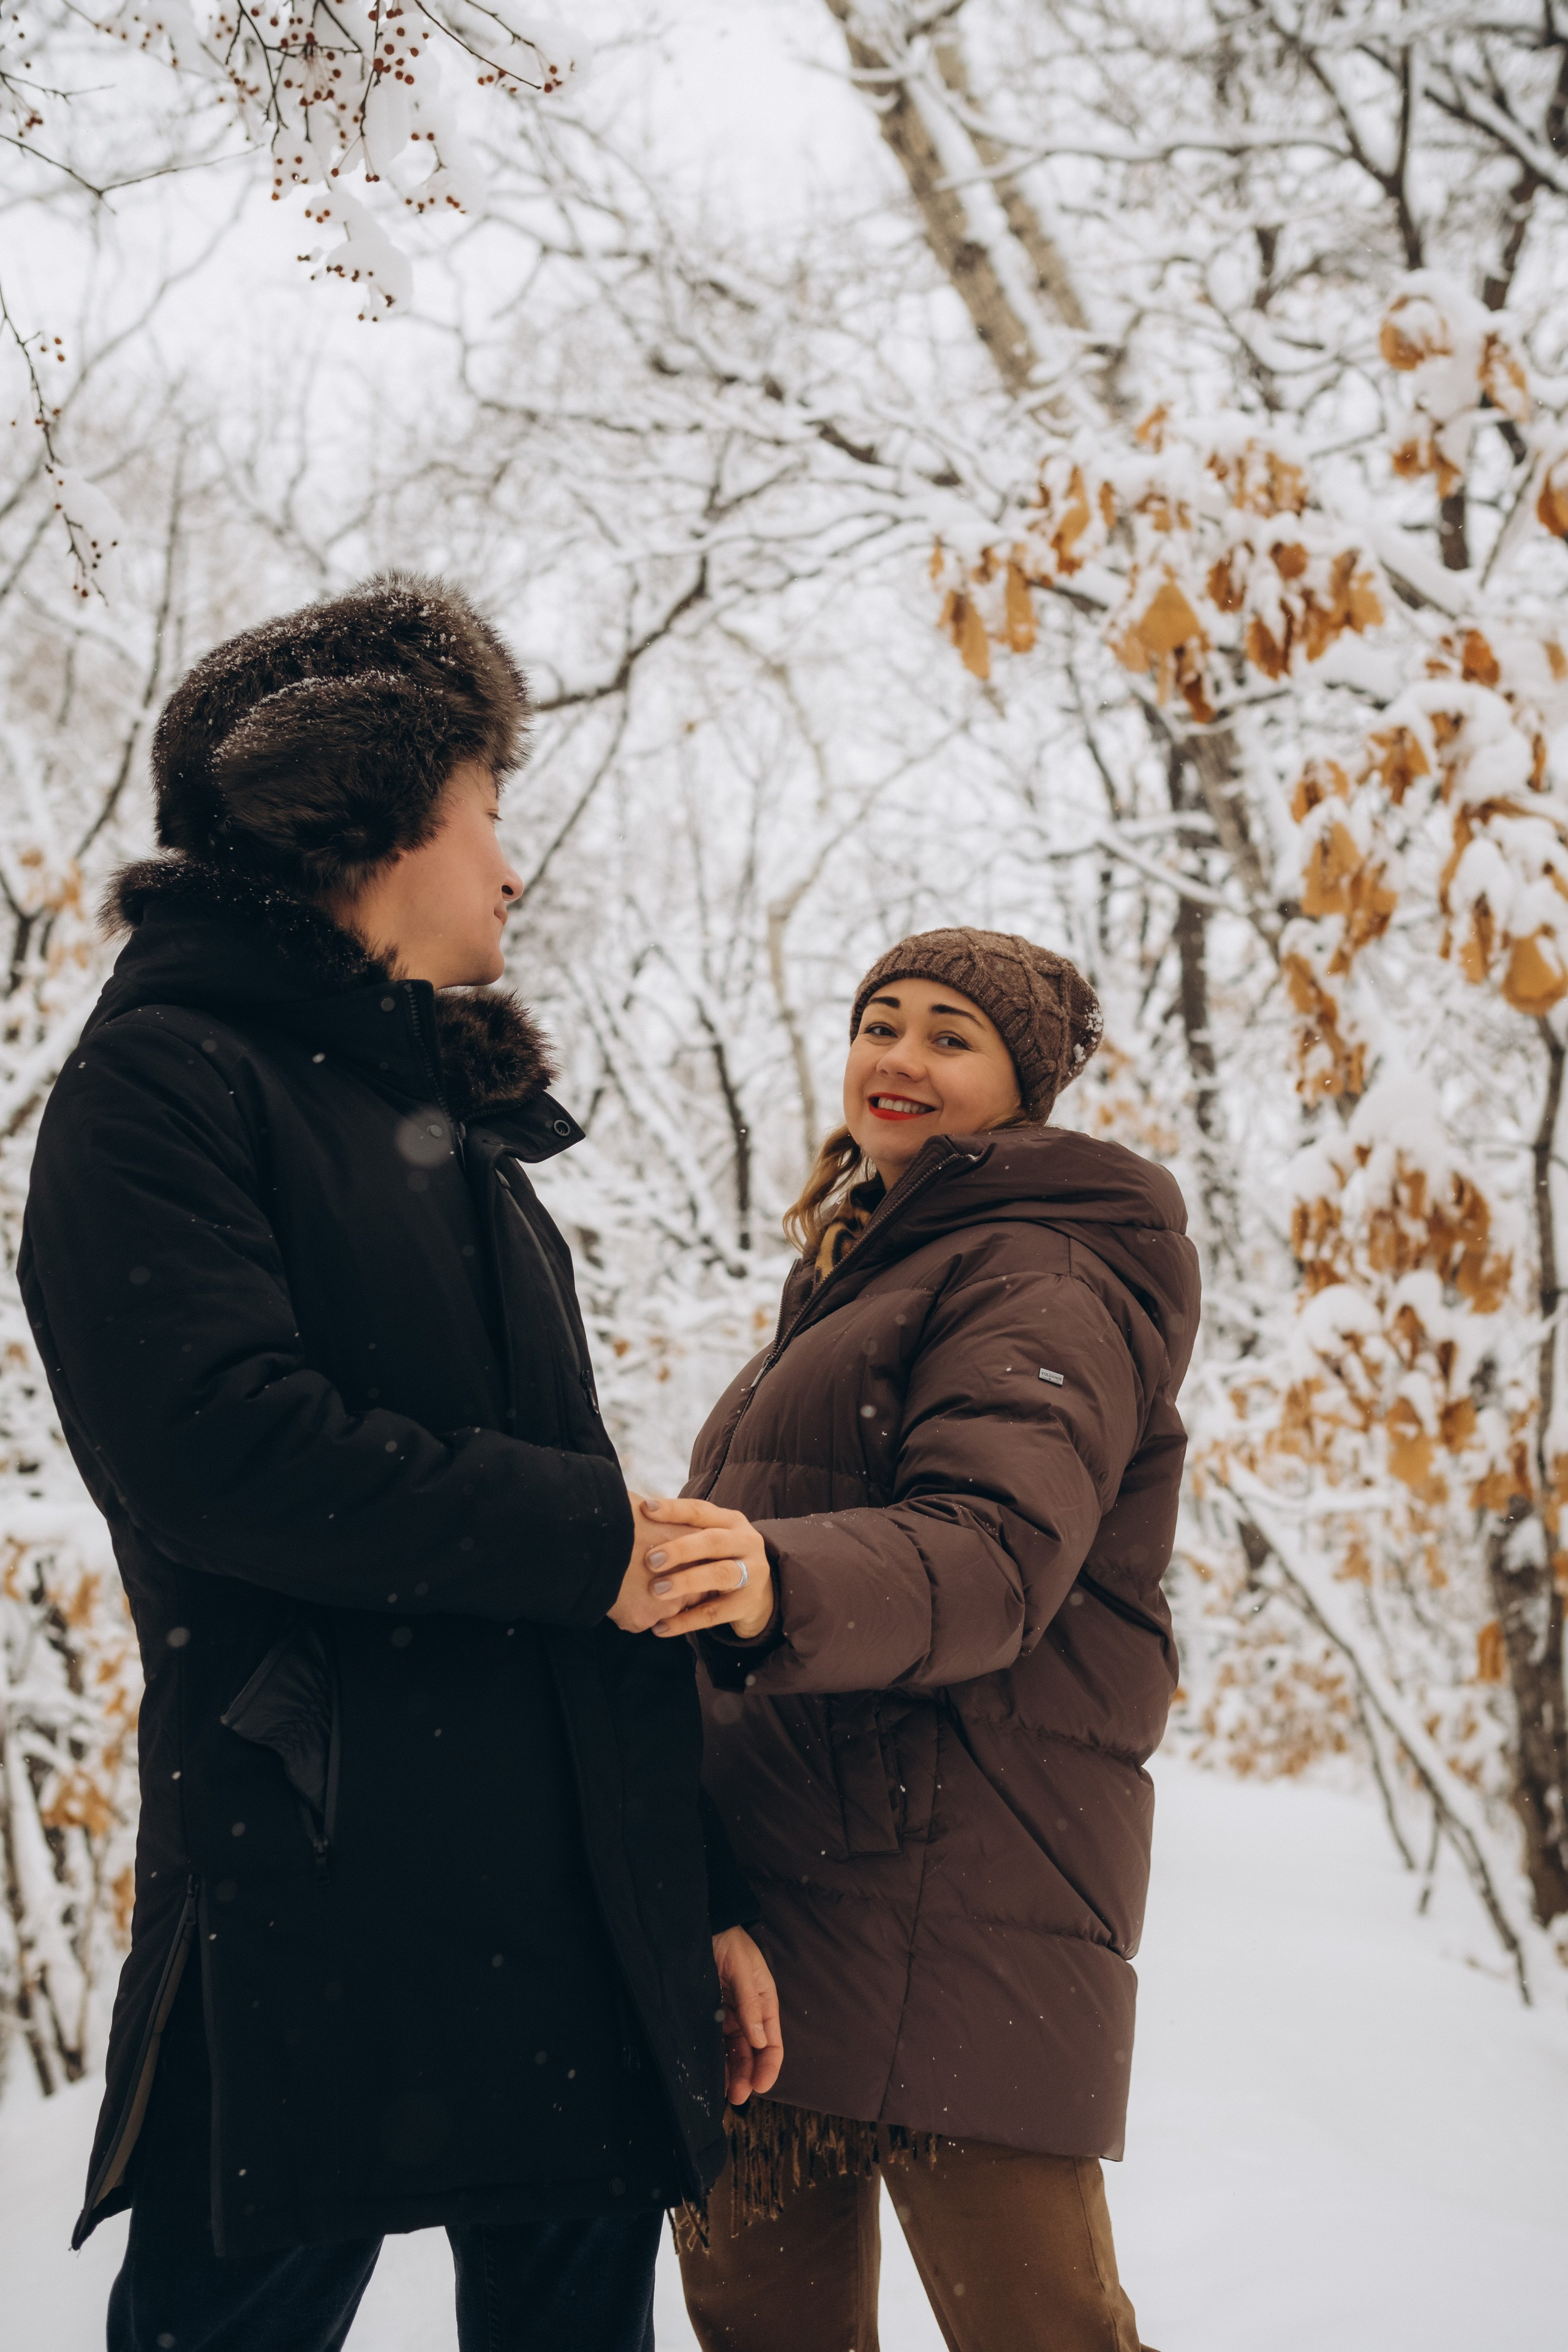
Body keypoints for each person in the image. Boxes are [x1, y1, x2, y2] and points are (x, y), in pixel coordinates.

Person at [19, 573, 780, 2352]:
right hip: (324, 1882)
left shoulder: (466, 1142)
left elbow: (579, 1562)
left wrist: (705, 1902)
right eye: (488, 815)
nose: (513, 867)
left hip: (571, 1905)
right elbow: (219, 1449)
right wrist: (589, 1538)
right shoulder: (167, 1087)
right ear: (369, 823)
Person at [636, 929, 1200, 2352]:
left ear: (1019, 1091)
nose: (896, 1056)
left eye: (949, 1035)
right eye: (877, 1020)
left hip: (960, 1908)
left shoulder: (1040, 1269)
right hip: (778, 1915)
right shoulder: (856, 1277)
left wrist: (769, 1576)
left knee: (1041, 2330)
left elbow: (998, 1551)